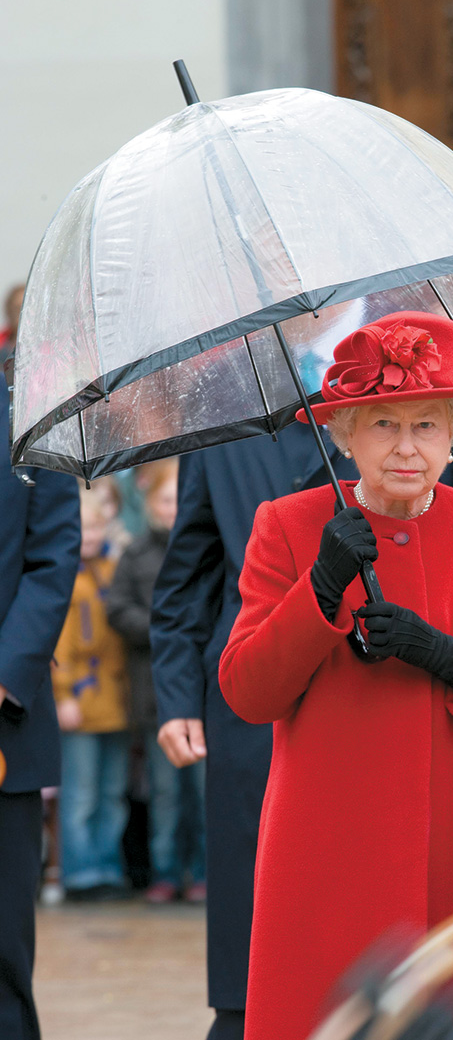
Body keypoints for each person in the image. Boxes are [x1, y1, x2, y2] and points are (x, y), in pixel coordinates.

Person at [150, 319, 453, 1040]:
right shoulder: (290, 523)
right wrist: (319, 587)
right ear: (346, 433)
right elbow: (247, 691)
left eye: (426, 424)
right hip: (329, 851)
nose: (406, 446)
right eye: (383, 423)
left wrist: (451, 655)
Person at [0, 379, 80, 1039]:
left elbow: (52, 559)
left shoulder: (32, 419)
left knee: (1, 953)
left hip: (4, 725)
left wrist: (5, 674)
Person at [107, 460, 207, 903]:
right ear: (150, 504)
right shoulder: (136, 553)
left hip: (203, 691)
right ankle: (165, 872)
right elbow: (117, 608)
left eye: (177, 500)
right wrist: (162, 629)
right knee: (164, 791)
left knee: (205, 793)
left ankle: (204, 872)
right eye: (164, 500)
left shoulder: (205, 548)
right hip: (152, 694)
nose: (171, 509)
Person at [52, 490, 130, 900]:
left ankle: (106, 869)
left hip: (114, 700)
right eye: (83, 528)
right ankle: (80, 874)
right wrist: (63, 694)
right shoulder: (64, 575)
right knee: (81, 793)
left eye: (97, 526)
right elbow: (59, 644)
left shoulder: (115, 568)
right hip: (80, 699)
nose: (90, 535)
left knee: (111, 791)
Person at [0, 283, 24, 360]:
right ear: (8, 311)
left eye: (25, 307)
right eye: (17, 308)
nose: (21, 312)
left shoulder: (49, 346)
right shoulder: (2, 341)